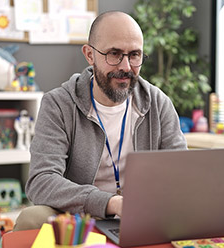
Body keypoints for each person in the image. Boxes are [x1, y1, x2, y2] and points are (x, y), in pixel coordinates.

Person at [14, 11, 187, 231]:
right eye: (114, 54)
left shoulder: (158, 103)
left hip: (143, 213)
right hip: (78, 216)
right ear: (89, 54)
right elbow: (41, 181)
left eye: (134, 55)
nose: (125, 66)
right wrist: (110, 203)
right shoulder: (58, 104)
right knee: (31, 219)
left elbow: (180, 173)